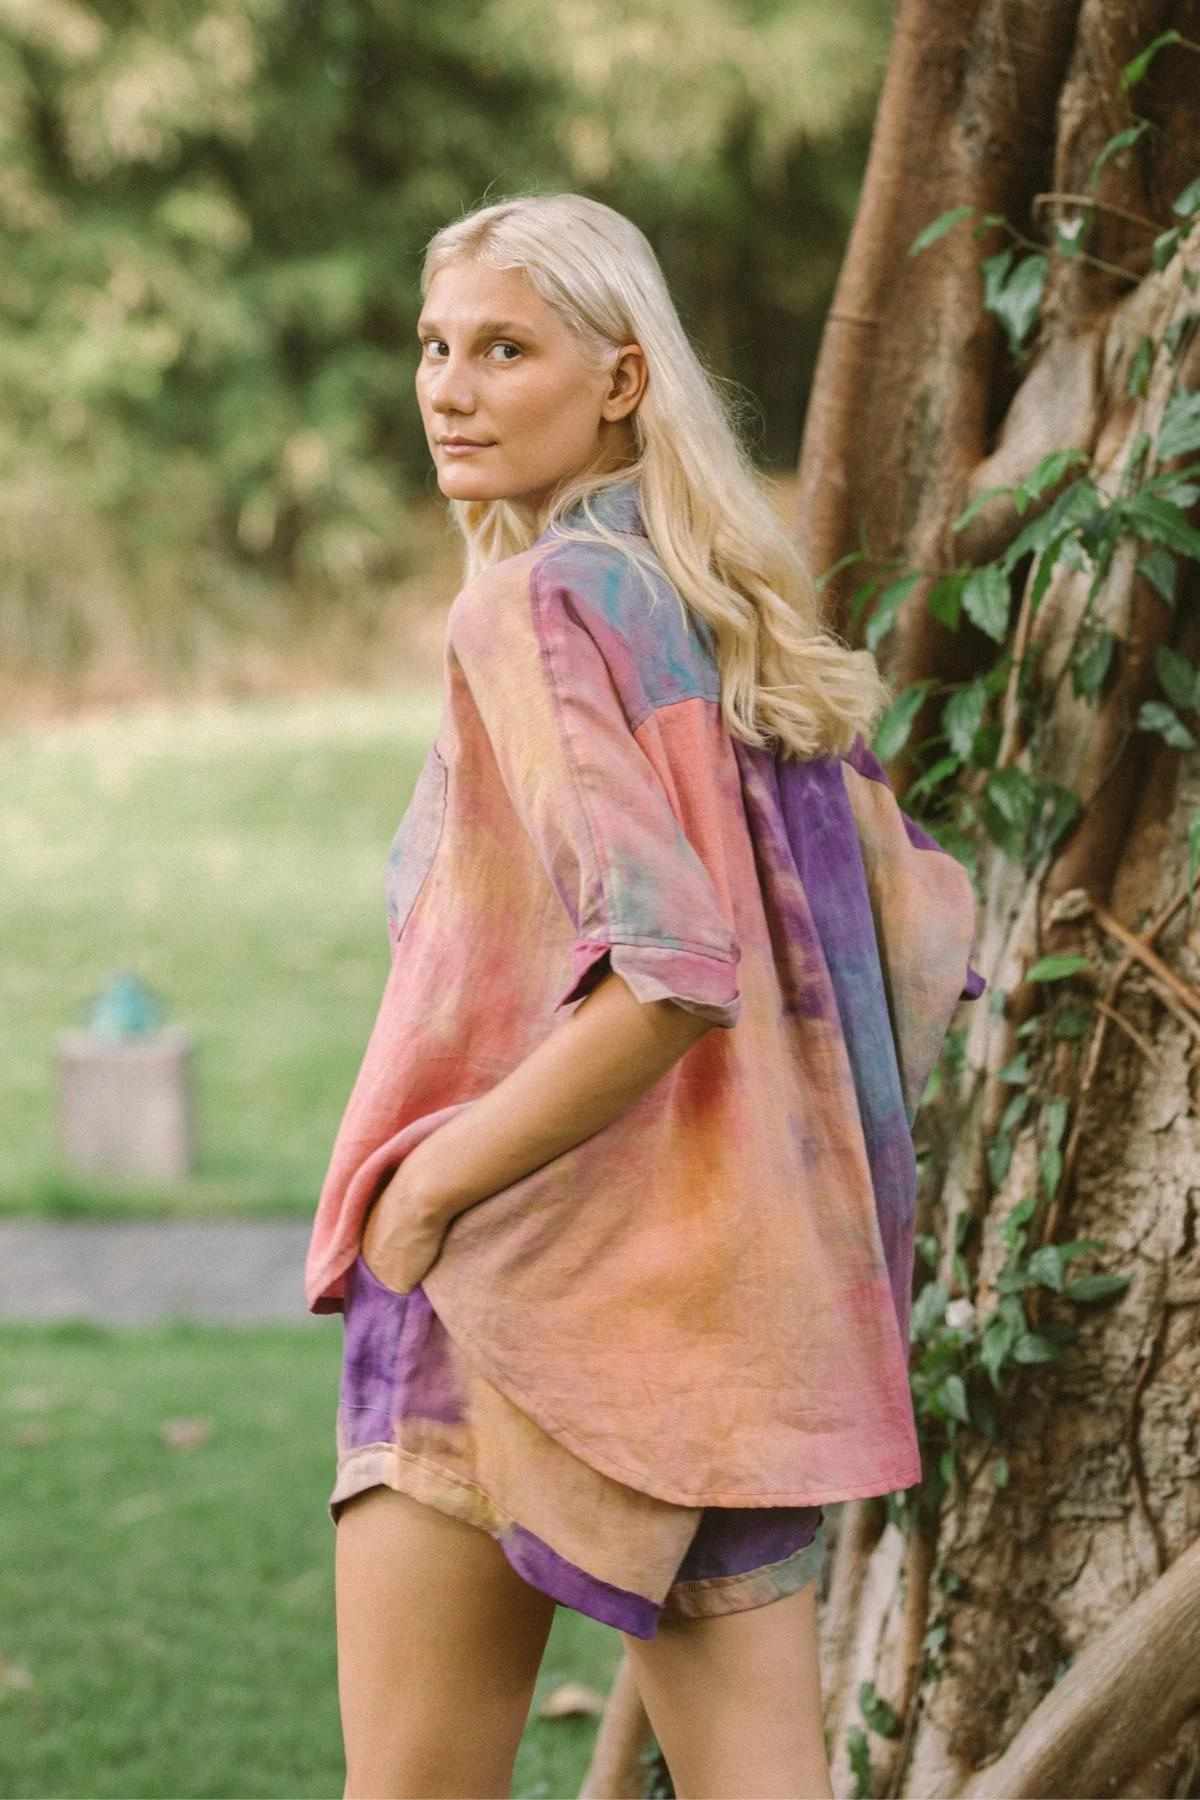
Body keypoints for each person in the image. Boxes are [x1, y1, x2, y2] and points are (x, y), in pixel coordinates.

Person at [305, 190, 985, 1799]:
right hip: (742, 1307)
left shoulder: (537, 604)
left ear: (621, 382)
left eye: (504, 350)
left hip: (519, 1278)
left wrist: (428, 1194)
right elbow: (921, 942)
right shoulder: (732, 628)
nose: (449, 389)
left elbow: (672, 972)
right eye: (435, 348)